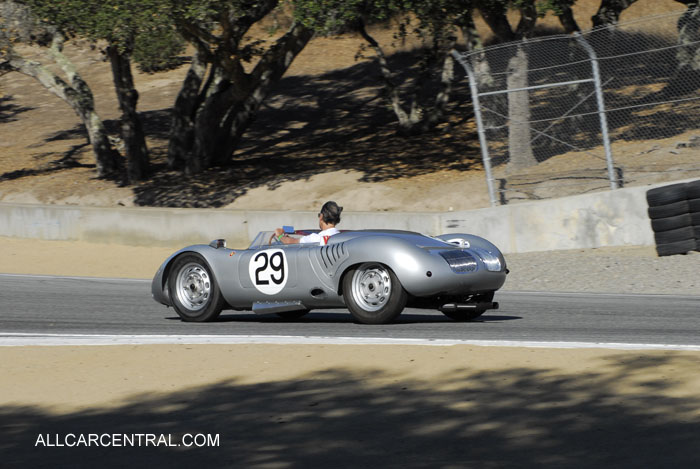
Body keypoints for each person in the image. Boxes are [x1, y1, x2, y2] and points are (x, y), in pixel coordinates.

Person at [274, 201, 343, 245]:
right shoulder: (341, 237)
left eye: (319, 215)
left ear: (321, 216)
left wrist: (279, 235)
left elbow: (290, 242)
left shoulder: (316, 238)